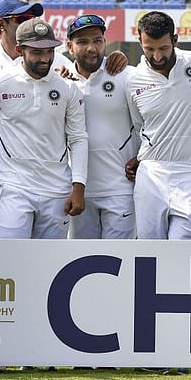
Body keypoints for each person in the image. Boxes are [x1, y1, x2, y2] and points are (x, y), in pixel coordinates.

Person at [125, 11, 191, 240]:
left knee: (189, 249)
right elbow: (140, 126)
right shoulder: (133, 80)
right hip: (151, 174)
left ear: (175, 40)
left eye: (163, 48)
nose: (156, 56)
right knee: (150, 253)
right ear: (140, 42)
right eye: (149, 49)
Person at [0, 18, 87, 239]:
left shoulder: (68, 88)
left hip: (57, 191)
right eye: (37, 52)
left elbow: (78, 138)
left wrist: (79, 187)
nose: (45, 59)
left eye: (49, 51)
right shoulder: (0, 85)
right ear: (20, 50)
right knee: (10, 261)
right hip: (14, 187)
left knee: (50, 264)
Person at [65, 15, 139, 239]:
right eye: (82, 42)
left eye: (97, 40)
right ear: (69, 47)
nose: (91, 48)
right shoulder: (61, 79)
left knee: (120, 263)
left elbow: (151, 123)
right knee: (80, 261)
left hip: (120, 189)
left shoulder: (127, 75)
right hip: (77, 191)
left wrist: (142, 157)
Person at [0, 0, 127, 76]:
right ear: (1, 25)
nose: (30, 23)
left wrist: (115, 59)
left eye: (33, 18)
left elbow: (87, 78)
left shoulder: (57, 61)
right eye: (22, 19)